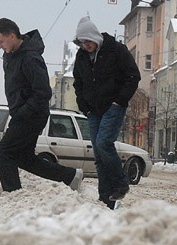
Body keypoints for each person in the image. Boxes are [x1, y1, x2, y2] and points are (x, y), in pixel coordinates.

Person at [0, 18, 83, 193]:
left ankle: (12, 194)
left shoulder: (30, 58)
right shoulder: (11, 56)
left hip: (32, 114)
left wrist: (23, 111)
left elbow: (43, 92)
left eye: (1, 41)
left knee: (4, 151)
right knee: (24, 157)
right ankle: (70, 176)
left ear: (12, 36)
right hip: (23, 113)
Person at [72, 16, 140, 209]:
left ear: (95, 37)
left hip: (113, 106)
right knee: (99, 154)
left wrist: (119, 100)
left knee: (103, 143)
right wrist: (83, 105)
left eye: (88, 41)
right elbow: (78, 82)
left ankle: (120, 183)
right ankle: (106, 198)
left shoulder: (116, 50)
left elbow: (133, 76)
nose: (86, 45)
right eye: (82, 42)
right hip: (93, 110)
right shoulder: (81, 56)